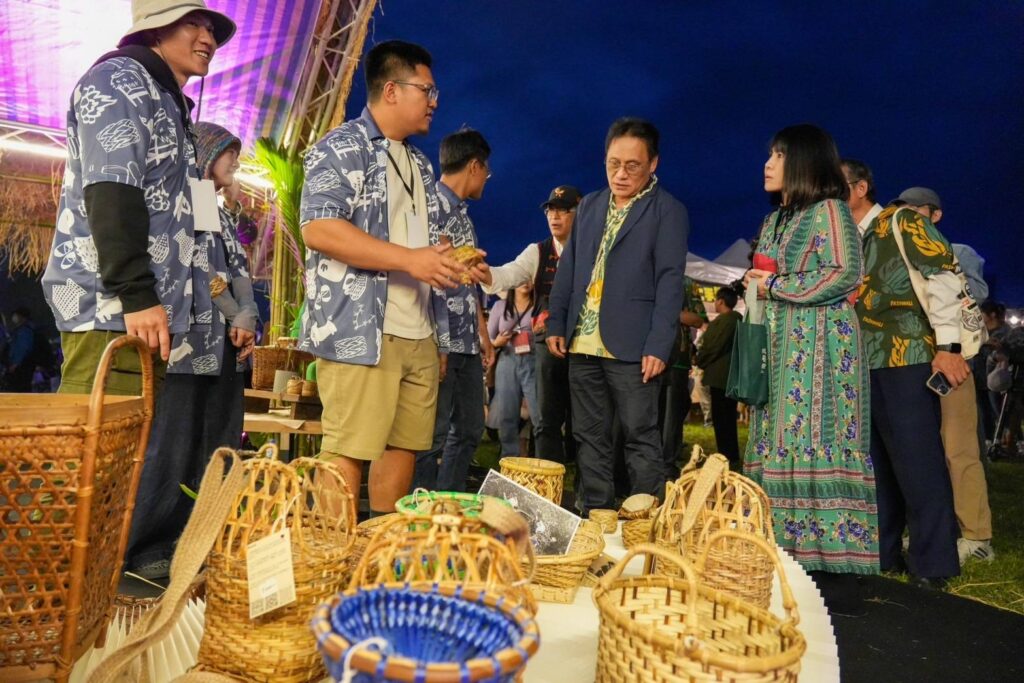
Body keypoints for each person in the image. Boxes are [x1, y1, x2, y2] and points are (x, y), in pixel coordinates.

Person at [298, 40, 483, 517]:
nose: (434, 101)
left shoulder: (420, 164)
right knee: (348, 448)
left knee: (405, 447)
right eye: (427, 90)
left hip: (419, 331)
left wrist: (452, 263)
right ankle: (332, 551)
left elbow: (418, 244)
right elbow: (319, 228)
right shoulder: (342, 147)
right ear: (392, 90)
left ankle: (382, 548)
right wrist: (410, 260)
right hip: (362, 330)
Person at [41, 0, 236, 395]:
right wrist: (137, 293)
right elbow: (112, 191)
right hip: (114, 312)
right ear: (156, 29)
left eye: (212, 30)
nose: (208, 38)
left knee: (129, 434)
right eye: (192, 24)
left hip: (153, 316)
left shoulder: (167, 101)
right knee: (99, 431)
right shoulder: (119, 79)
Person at [743, 124, 878, 612]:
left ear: (803, 161)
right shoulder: (776, 219)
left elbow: (844, 273)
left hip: (821, 350)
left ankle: (834, 573)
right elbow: (770, 275)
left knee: (818, 438)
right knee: (778, 439)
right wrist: (758, 284)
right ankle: (785, 560)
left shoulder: (830, 210)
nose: (768, 163)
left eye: (778, 155)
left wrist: (775, 286)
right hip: (780, 349)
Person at [125, 122, 258, 579]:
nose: (235, 162)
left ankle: (198, 539)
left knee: (217, 442)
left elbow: (239, 270)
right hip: (190, 344)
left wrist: (248, 315)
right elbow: (202, 267)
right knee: (175, 444)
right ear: (205, 155)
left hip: (223, 346)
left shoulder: (219, 210)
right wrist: (236, 314)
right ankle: (148, 547)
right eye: (228, 153)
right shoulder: (195, 198)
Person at [547, 117, 688, 512]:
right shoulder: (590, 205)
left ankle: (647, 520)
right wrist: (557, 319)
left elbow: (670, 282)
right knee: (588, 436)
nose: (621, 174)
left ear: (653, 163)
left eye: (632, 166)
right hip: (583, 340)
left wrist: (659, 344)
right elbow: (569, 267)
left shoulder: (668, 211)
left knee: (640, 435)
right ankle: (597, 516)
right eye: (613, 164)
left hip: (634, 345)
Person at [854, 191, 964, 589]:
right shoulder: (847, 235)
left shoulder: (902, 221)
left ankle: (933, 563)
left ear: (859, 187)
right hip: (862, 362)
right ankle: (883, 553)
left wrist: (949, 346)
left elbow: (944, 275)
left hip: (908, 355)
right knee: (875, 464)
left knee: (919, 462)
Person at [894, 186, 994, 565]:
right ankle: (931, 529)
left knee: (959, 448)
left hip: (952, 359)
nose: (907, 219)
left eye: (915, 212)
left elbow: (976, 294)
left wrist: (941, 271)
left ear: (935, 215)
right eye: (902, 212)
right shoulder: (896, 254)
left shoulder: (959, 251)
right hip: (911, 361)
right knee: (919, 451)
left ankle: (977, 535)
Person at [412, 128, 496, 492]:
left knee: (471, 428)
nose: (487, 178)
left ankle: (448, 503)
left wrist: (483, 335)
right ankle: (419, 510)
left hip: (468, 343)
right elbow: (429, 282)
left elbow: (467, 283)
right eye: (486, 170)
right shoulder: (430, 208)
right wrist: (441, 345)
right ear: (474, 166)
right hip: (438, 341)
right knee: (431, 435)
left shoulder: (463, 217)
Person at [481, 185, 582, 463]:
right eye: (550, 210)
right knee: (546, 418)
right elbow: (509, 273)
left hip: (584, 345)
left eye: (563, 210)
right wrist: (485, 273)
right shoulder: (537, 252)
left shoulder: (593, 249)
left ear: (580, 213)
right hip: (546, 347)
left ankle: (586, 482)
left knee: (584, 420)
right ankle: (548, 478)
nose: (555, 216)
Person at [659, 277, 707, 480]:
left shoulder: (686, 283)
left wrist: (663, 313)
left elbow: (698, 319)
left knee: (671, 416)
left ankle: (666, 464)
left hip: (676, 361)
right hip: (643, 358)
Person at [487, 284, 540, 456]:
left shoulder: (539, 305)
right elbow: (487, 339)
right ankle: (509, 460)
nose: (525, 283)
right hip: (507, 360)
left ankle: (542, 460)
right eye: (520, 278)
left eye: (528, 278)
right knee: (507, 416)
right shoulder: (500, 306)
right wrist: (497, 343)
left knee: (539, 415)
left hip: (533, 361)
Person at [695, 286, 742, 465]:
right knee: (728, 417)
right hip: (730, 376)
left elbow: (712, 346)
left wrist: (700, 359)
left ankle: (726, 454)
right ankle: (731, 453)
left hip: (720, 376)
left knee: (721, 418)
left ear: (721, 301)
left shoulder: (725, 321)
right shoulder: (737, 320)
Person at [841, 158, 884, 234]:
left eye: (839, 187)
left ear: (861, 188)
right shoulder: (839, 231)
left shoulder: (890, 228)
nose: (832, 193)